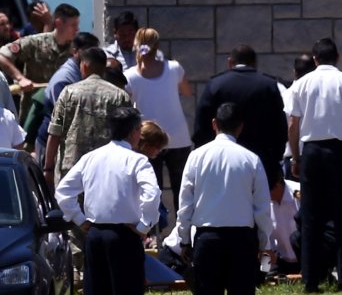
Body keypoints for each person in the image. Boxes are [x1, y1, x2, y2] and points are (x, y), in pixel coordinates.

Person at [55, 106, 161, 295]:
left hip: (95, 234)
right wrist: (144, 226)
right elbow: (152, 195)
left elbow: (63, 191)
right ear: (135, 132)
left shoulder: (91, 157)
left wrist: (80, 219)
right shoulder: (137, 161)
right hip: (125, 234)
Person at [177, 102, 274, 295]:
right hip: (242, 239)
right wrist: (265, 244)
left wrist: (184, 240)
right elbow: (262, 207)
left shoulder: (196, 157)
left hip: (207, 238)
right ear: (240, 127)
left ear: (214, 124)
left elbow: (185, 204)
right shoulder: (251, 159)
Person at [287, 38, 342, 293]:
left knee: (311, 216)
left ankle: (310, 279)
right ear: (337, 58)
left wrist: (295, 157)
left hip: (311, 152)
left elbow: (293, 123)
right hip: (339, 151)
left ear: (315, 59)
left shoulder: (300, 84)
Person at [194, 44, 287, 191]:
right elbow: (280, 128)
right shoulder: (268, 85)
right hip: (262, 161)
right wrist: (275, 160)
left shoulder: (216, 85)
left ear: (230, 62)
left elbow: (201, 126)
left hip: (221, 163)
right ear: (255, 63)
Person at [124, 28, 193, 216]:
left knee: (150, 190)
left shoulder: (129, 76)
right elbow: (188, 91)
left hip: (147, 139)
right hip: (178, 137)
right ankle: (185, 235)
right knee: (183, 190)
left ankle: (153, 233)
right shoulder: (174, 68)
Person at [44, 47, 132, 187]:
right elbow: (130, 135)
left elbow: (54, 133)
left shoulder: (69, 92)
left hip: (71, 169)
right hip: (107, 170)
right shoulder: (120, 95)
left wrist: (48, 167)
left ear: (84, 66)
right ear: (104, 68)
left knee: (70, 207)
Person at [0, 3, 80, 122]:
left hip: (65, 116)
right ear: (58, 23)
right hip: (34, 114)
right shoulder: (36, 42)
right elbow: (2, 55)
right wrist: (20, 78)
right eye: (73, 25)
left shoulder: (77, 50)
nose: (77, 29)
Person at [36, 32, 100, 160]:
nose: (91, 54)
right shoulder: (64, 79)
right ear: (75, 51)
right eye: (87, 50)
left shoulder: (83, 73)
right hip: (52, 145)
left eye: (95, 50)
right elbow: (64, 118)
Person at [268, 177, 301, 276]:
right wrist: (265, 271)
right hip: (281, 261)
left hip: (308, 260)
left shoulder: (299, 192)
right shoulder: (263, 203)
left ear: (277, 185)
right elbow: (265, 239)